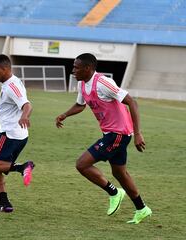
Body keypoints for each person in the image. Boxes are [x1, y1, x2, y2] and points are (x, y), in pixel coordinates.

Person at [55, 53, 152, 224]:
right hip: (111, 134)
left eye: (77, 67)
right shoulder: (82, 84)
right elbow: (80, 105)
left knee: (82, 164)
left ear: (88, 68)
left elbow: (132, 102)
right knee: (120, 173)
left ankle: (114, 192)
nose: (73, 71)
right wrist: (65, 114)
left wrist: (138, 133)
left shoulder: (103, 82)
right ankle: (142, 208)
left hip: (119, 134)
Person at [0, 54, 35, 213]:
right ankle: (5, 204)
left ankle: (23, 167)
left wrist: (25, 116)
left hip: (9, 134)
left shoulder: (12, 86)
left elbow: (27, 104)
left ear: (5, 69)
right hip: (15, 134)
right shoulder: (10, 83)